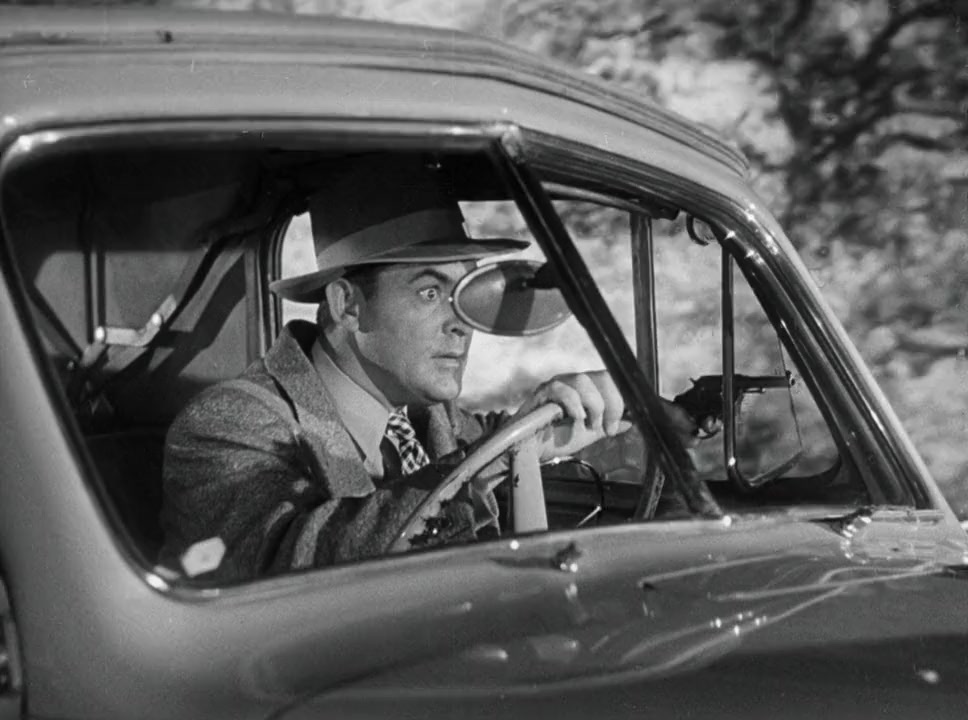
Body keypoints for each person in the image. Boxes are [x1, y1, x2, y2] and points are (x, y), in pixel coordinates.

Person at [158, 156, 709, 583]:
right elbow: (288, 565)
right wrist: (491, 462)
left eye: (466, 290)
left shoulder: (427, 416)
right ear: (349, 305)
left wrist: (566, 425)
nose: (462, 323)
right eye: (429, 292)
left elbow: (487, 441)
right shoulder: (225, 425)